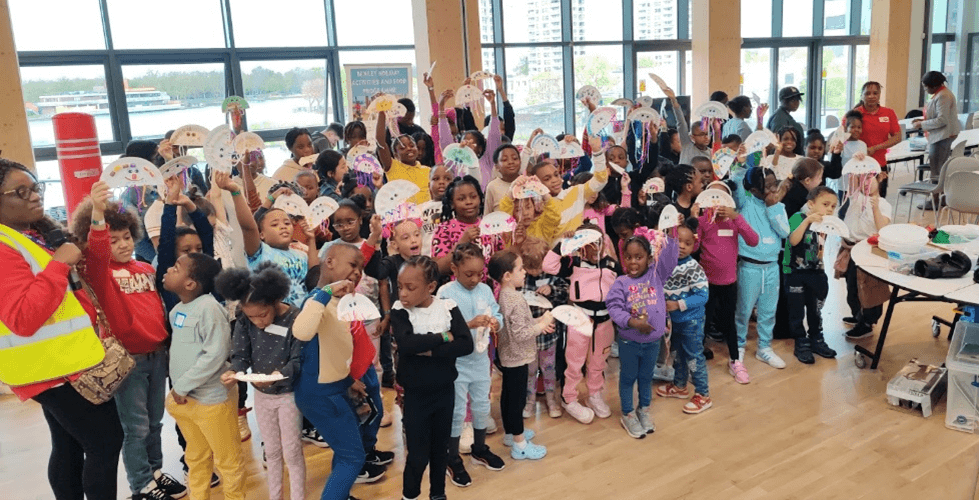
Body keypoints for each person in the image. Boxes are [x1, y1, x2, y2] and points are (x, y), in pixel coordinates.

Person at [0, 158, 123, 500]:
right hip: (52, 368)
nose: (33, 197)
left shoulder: (30, 235)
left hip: (61, 363)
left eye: (35, 187)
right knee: (105, 441)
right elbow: (22, 317)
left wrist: (96, 217)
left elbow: (89, 263)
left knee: (69, 445)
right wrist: (58, 265)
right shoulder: (4, 247)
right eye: (19, 192)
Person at [73, 182, 181, 500]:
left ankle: (156, 473)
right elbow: (96, 248)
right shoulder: (98, 270)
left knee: (156, 421)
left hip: (157, 354)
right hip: (128, 359)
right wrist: (96, 211)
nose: (122, 244)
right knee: (135, 427)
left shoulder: (145, 268)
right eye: (114, 239)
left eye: (126, 237)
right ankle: (142, 485)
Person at [292, 244, 377, 499]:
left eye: (361, 268)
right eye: (353, 265)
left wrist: (348, 379)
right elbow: (302, 332)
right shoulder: (317, 300)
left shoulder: (337, 303)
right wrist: (325, 292)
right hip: (321, 395)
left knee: (346, 453)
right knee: (353, 457)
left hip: (334, 389)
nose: (358, 272)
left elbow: (332, 350)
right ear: (329, 262)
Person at [217, 264, 306, 500]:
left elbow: (298, 359)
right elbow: (241, 353)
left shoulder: (295, 318)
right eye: (251, 316)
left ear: (275, 301)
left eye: (262, 314)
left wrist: (278, 375)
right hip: (262, 396)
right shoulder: (246, 320)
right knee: (273, 451)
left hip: (288, 395)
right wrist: (235, 371)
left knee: (293, 452)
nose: (258, 321)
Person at [163, 252, 245, 500]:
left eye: (176, 267)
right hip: (185, 403)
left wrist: (182, 386)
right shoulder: (177, 310)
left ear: (190, 284)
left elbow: (216, 355)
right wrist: (178, 391)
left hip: (212, 402)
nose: (168, 269)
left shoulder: (210, 308)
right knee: (195, 457)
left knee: (228, 460)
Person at [391, 256, 474, 500]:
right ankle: (410, 495)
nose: (403, 293)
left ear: (430, 287)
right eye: (400, 286)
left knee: (441, 451)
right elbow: (406, 344)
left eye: (410, 287)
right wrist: (444, 337)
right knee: (417, 455)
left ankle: (438, 494)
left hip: (444, 392)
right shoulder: (399, 311)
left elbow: (466, 344)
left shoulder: (447, 307)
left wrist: (429, 349)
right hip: (416, 395)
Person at [437, 243, 506, 487]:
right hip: (456, 364)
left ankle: (479, 448)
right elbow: (441, 329)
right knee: (456, 411)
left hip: (480, 360)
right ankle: (451, 457)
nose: (475, 279)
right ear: (454, 268)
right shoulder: (446, 293)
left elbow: (496, 312)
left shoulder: (485, 290)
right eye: (469, 274)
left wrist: (497, 323)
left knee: (481, 405)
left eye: (480, 274)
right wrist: (469, 324)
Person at [543, 223, 621, 424]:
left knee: (598, 362)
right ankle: (569, 398)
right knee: (575, 361)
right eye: (589, 243)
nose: (594, 248)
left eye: (598, 242)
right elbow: (548, 265)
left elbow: (623, 288)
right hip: (580, 319)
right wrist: (564, 244)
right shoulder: (573, 263)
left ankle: (594, 394)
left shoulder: (612, 265)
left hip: (604, 320)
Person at [606, 232, 678, 438]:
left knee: (646, 377)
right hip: (629, 341)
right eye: (628, 257)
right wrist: (633, 323)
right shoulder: (620, 282)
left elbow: (671, 258)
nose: (633, 262)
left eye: (639, 257)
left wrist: (672, 231)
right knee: (628, 377)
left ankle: (643, 409)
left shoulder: (657, 274)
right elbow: (614, 308)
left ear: (649, 257)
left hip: (653, 341)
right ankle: (628, 413)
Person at [491, 249, 554, 460]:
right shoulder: (515, 300)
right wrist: (542, 324)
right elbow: (521, 334)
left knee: (508, 396)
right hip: (517, 357)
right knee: (516, 401)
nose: (525, 272)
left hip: (509, 356)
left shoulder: (505, 295)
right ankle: (520, 444)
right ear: (507, 275)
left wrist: (538, 323)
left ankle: (511, 433)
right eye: (520, 268)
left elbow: (516, 327)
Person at [731, 158, 790, 369]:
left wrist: (773, 208)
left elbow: (785, 232)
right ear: (754, 189)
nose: (775, 189)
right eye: (769, 186)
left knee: (768, 310)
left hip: (772, 267)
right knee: (744, 310)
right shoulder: (744, 203)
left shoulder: (778, 206)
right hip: (749, 267)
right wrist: (739, 162)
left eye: (776, 184)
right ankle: (737, 345)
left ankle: (764, 348)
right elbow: (736, 180)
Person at [697, 181, 758, 383]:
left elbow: (753, 240)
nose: (718, 201)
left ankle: (735, 360)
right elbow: (694, 244)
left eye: (722, 197)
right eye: (713, 196)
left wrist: (736, 217)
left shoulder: (734, 221)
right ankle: (695, 362)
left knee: (728, 323)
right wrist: (693, 218)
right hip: (706, 283)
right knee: (702, 323)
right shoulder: (704, 221)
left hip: (729, 283)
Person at [658, 218, 712, 414]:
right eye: (677, 241)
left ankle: (703, 395)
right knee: (678, 355)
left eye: (687, 243)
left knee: (693, 357)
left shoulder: (693, 267)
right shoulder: (665, 262)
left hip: (692, 321)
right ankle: (680, 386)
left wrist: (678, 304)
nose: (681, 246)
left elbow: (703, 296)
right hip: (675, 322)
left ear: (694, 245)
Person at [783, 186, 839, 364]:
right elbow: (793, 240)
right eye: (825, 204)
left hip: (817, 272)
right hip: (795, 273)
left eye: (833, 206)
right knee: (796, 309)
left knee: (815, 309)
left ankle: (816, 338)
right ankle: (801, 341)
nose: (829, 209)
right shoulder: (797, 218)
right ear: (811, 204)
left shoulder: (826, 223)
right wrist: (807, 221)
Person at [519, 237, 568, 418]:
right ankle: (529, 400)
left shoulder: (552, 276)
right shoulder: (521, 279)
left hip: (549, 335)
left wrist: (552, 290)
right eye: (529, 267)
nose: (534, 272)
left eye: (538, 267)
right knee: (530, 370)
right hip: (529, 335)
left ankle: (551, 399)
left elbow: (565, 292)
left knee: (549, 368)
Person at [841, 175, 892, 340]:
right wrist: (858, 162)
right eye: (861, 179)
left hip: (869, 251)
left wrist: (876, 208)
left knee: (870, 289)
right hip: (851, 249)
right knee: (852, 288)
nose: (866, 183)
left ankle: (867, 322)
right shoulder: (855, 198)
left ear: (881, 178)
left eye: (870, 178)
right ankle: (859, 316)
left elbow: (883, 228)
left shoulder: (884, 204)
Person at [912, 71, 960, 198]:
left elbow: (942, 120)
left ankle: (936, 200)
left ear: (933, 86)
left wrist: (921, 125)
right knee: (938, 168)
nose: (925, 89)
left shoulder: (943, 96)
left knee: (937, 170)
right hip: (941, 135)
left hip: (942, 137)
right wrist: (923, 121)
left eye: (925, 87)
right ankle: (939, 197)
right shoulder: (940, 94)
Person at [854, 82, 901, 196]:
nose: (871, 96)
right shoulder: (855, 113)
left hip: (880, 164)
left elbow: (897, 137)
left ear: (879, 95)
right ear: (862, 95)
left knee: (879, 200)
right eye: (867, 93)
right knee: (859, 201)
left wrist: (876, 148)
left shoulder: (888, 113)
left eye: (875, 93)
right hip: (859, 164)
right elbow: (845, 136)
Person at [376, 110, 432, 205]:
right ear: (396, 155)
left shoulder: (428, 171)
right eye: (402, 148)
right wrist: (381, 113)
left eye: (412, 145)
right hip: (402, 217)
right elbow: (381, 143)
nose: (409, 149)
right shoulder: (392, 167)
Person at [483, 144, 522, 214]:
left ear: (520, 161)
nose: (511, 162)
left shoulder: (527, 182)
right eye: (504, 160)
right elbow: (487, 215)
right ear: (497, 167)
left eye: (515, 158)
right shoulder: (492, 186)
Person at [767, 87, 806, 156]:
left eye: (798, 99)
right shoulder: (779, 118)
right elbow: (779, 143)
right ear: (783, 101)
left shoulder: (785, 115)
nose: (796, 102)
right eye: (792, 100)